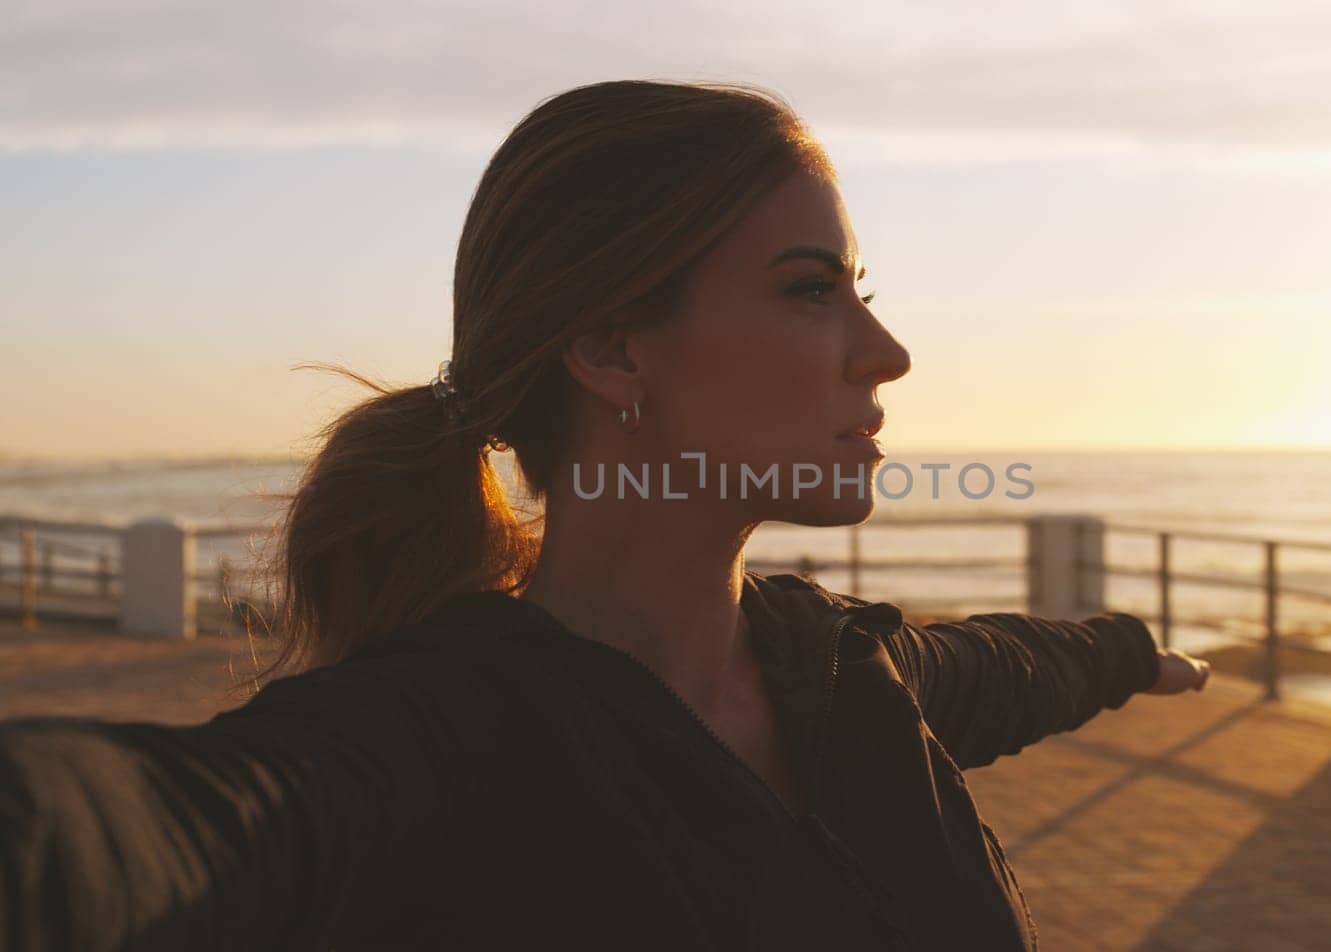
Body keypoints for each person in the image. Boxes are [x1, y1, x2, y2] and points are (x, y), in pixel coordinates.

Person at [0, 79, 1211, 951]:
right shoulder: (433, 740)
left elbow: (1005, 666)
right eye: (809, 291)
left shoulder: (850, 673)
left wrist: (1127, 655)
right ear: (612, 348)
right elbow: (151, 829)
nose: (883, 354)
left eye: (862, 296)